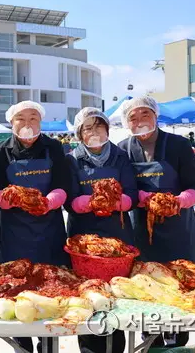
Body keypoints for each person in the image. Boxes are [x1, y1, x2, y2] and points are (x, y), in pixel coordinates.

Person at [118, 96, 195, 348]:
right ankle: (151, 343)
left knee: (182, 289)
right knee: (148, 289)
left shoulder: (178, 145)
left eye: (145, 114)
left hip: (179, 229)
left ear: (156, 115)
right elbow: (122, 187)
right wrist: (140, 198)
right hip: (143, 231)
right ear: (126, 123)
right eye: (133, 117)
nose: (140, 121)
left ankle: (179, 342)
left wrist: (181, 200)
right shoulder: (123, 149)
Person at [0, 101, 72, 353]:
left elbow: (63, 184)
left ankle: (48, 345)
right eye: (21, 118)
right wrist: (5, 198)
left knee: (51, 292)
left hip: (49, 231)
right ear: (11, 122)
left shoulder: (54, 148)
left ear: (41, 121)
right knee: (16, 293)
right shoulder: (0, 151)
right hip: (14, 234)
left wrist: (50, 201)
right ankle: (21, 346)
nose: (27, 123)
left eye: (33, 118)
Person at [65, 108, 137, 353]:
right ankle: (88, 347)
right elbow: (69, 199)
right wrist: (86, 202)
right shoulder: (72, 160)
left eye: (98, 126)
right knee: (88, 295)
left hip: (117, 234)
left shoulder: (120, 157)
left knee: (116, 294)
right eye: (87, 128)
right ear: (80, 134)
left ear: (107, 130)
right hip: (83, 237)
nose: (94, 132)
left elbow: (132, 194)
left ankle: (116, 346)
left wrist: (117, 202)